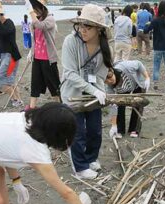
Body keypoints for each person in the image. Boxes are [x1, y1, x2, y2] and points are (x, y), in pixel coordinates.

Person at [61, 4, 113, 180]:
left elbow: (100, 74)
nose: (83, 30)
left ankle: (91, 158)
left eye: (88, 26)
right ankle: (80, 167)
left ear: (99, 29)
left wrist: (102, 91)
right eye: (81, 25)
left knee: (95, 130)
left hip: (93, 94)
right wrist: (93, 89)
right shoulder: (71, 41)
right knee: (77, 132)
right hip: (72, 93)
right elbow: (69, 73)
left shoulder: (104, 48)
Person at [24, 0, 61, 110]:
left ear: (41, 8)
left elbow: (40, 26)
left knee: (53, 84)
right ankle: (32, 107)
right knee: (35, 82)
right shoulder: (37, 19)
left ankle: (59, 105)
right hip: (37, 57)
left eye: (35, 9)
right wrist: (31, 52)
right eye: (33, 9)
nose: (33, 11)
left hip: (48, 58)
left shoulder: (50, 19)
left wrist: (30, 12)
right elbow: (35, 37)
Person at [106, 60, 150, 139]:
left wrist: (147, 77)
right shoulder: (110, 87)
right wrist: (113, 125)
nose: (110, 81)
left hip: (137, 84)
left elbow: (139, 64)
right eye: (106, 81)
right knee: (119, 104)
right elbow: (113, 105)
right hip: (123, 89)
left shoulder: (127, 67)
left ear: (112, 71)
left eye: (109, 77)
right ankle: (119, 129)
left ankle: (134, 129)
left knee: (138, 103)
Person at [144, 1, 165, 92]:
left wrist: (147, 24)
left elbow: (146, 30)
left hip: (158, 46)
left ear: (159, 9)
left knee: (156, 66)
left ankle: (156, 84)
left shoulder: (155, 20)